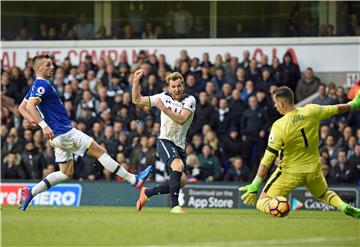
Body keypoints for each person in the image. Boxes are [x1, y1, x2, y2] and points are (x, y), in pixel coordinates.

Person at [17, 55, 152, 211]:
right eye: (48, 65)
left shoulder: (36, 85)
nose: (52, 67)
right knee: (101, 152)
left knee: (66, 173)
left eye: (52, 64)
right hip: (64, 132)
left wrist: (34, 121)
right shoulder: (42, 85)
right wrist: (42, 125)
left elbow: (22, 108)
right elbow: (31, 106)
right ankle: (135, 180)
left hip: (57, 137)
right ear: (39, 68)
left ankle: (30, 192)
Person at [239, 86, 360, 218]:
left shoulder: (279, 125)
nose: (275, 106)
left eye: (275, 103)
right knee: (324, 194)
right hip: (313, 169)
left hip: (290, 172)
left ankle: (277, 208)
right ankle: (343, 206)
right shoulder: (311, 110)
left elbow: (268, 158)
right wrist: (353, 104)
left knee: (261, 202)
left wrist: (255, 183)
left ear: (281, 103)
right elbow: (336, 109)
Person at [132, 69, 196, 214]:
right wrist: (135, 81)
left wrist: (163, 108)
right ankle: (174, 206)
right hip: (165, 141)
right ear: (168, 88)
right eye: (173, 86)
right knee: (178, 165)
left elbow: (181, 119)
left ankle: (147, 193)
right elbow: (136, 100)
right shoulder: (162, 97)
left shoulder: (190, 100)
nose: (176, 89)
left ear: (183, 86)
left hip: (179, 145)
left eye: (179, 86)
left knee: (182, 181)